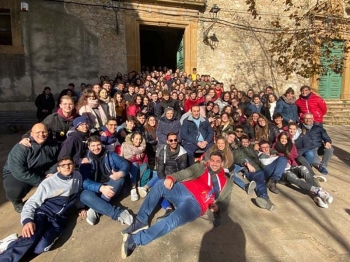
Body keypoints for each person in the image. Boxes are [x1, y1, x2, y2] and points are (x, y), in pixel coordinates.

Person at [120, 151, 233, 258]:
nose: (214, 163)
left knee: (173, 220)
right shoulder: (202, 167)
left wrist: (219, 207)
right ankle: (141, 220)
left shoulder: (227, 183)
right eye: (212, 160)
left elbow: (225, 201)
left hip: (197, 205)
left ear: (222, 163)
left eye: (218, 161)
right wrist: (172, 178)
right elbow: (186, 172)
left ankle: (136, 239)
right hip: (184, 190)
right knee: (160, 184)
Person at [0, 156, 83, 261]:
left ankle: (11, 244)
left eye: (70, 164)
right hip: (43, 214)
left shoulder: (78, 176)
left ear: (74, 166)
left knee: (41, 247)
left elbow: (78, 194)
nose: (67, 167)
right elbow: (32, 202)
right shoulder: (48, 183)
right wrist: (27, 220)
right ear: (58, 168)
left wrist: (80, 207)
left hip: (60, 219)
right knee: (31, 237)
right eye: (63, 165)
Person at [2, 123, 59, 213]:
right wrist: (40, 181)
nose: (41, 134)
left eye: (44, 132)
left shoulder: (53, 145)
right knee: (15, 189)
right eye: (38, 132)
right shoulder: (22, 147)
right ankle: (17, 201)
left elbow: (58, 160)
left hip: (41, 170)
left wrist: (51, 172)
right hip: (16, 173)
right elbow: (18, 170)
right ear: (31, 134)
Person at [79, 136, 133, 226]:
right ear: (88, 147)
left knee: (120, 179)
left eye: (98, 145)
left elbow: (124, 164)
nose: (96, 148)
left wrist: (119, 173)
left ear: (102, 145)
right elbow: (85, 182)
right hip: (96, 188)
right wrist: (100, 188)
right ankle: (118, 214)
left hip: (111, 183)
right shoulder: (86, 161)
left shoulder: (110, 154)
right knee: (84, 195)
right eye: (93, 146)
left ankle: (95, 209)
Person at [234, 136, 287, 210]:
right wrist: (247, 164)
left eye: (247, 142)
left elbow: (268, 148)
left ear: (249, 142)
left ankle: (273, 180)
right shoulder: (237, 151)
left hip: (264, 169)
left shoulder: (253, 150)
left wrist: (273, 153)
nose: (245, 143)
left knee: (282, 159)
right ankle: (265, 199)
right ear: (240, 142)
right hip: (253, 171)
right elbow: (237, 158)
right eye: (243, 142)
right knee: (260, 182)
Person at [120, 132, 149, 201]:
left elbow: (145, 159)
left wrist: (144, 164)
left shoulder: (142, 148)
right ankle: (133, 188)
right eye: (136, 139)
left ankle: (141, 187)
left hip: (141, 167)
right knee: (135, 164)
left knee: (151, 171)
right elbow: (125, 160)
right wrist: (135, 158)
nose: (138, 141)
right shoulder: (126, 147)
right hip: (130, 169)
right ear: (132, 139)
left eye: (140, 139)